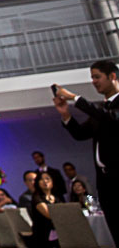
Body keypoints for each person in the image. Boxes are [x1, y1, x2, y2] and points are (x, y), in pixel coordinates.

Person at [54, 59, 119, 242]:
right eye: (92, 78)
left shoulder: (110, 111)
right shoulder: (102, 110)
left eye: (97, 77)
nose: (94, 81)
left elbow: (111, 119)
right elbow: (80, 134)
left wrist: (75, 98)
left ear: (112, 76)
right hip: (105, 180)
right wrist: (66, 114)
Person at [29, 173, 59, 248]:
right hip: (43, 233)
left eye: (47, 179)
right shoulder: (37, 198)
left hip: (58, 230)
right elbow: (49, 215)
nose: (45, 181)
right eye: (41, 179)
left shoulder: (57, 198)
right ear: (37, 183)